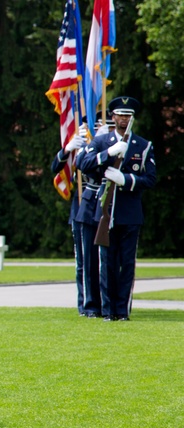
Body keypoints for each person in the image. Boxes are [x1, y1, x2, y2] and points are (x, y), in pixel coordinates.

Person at [76, 96, 157, 321]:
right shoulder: (102, 142)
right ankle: (108, 310)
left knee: (127, 263)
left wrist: (126, 179)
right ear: (113, 117)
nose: (124, 118)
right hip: (106, 212)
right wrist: (108, 154)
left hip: (130, 212)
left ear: (132, 118)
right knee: (107, 262)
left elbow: (150, 179)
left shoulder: (143, 145)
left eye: (128, 115)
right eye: (120, 114)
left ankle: (122, 311)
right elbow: (83, 164)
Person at [50, 113, 104, 317]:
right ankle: (85, 305)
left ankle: (104, 303)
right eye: (95, 123)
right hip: (81, 208)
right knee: (83, 261)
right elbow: (55, 168)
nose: (97, 127)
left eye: (101, 124)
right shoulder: (80, 143)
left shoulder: (107, 143)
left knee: (104, 260)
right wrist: (68, 149)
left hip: (105, 205)